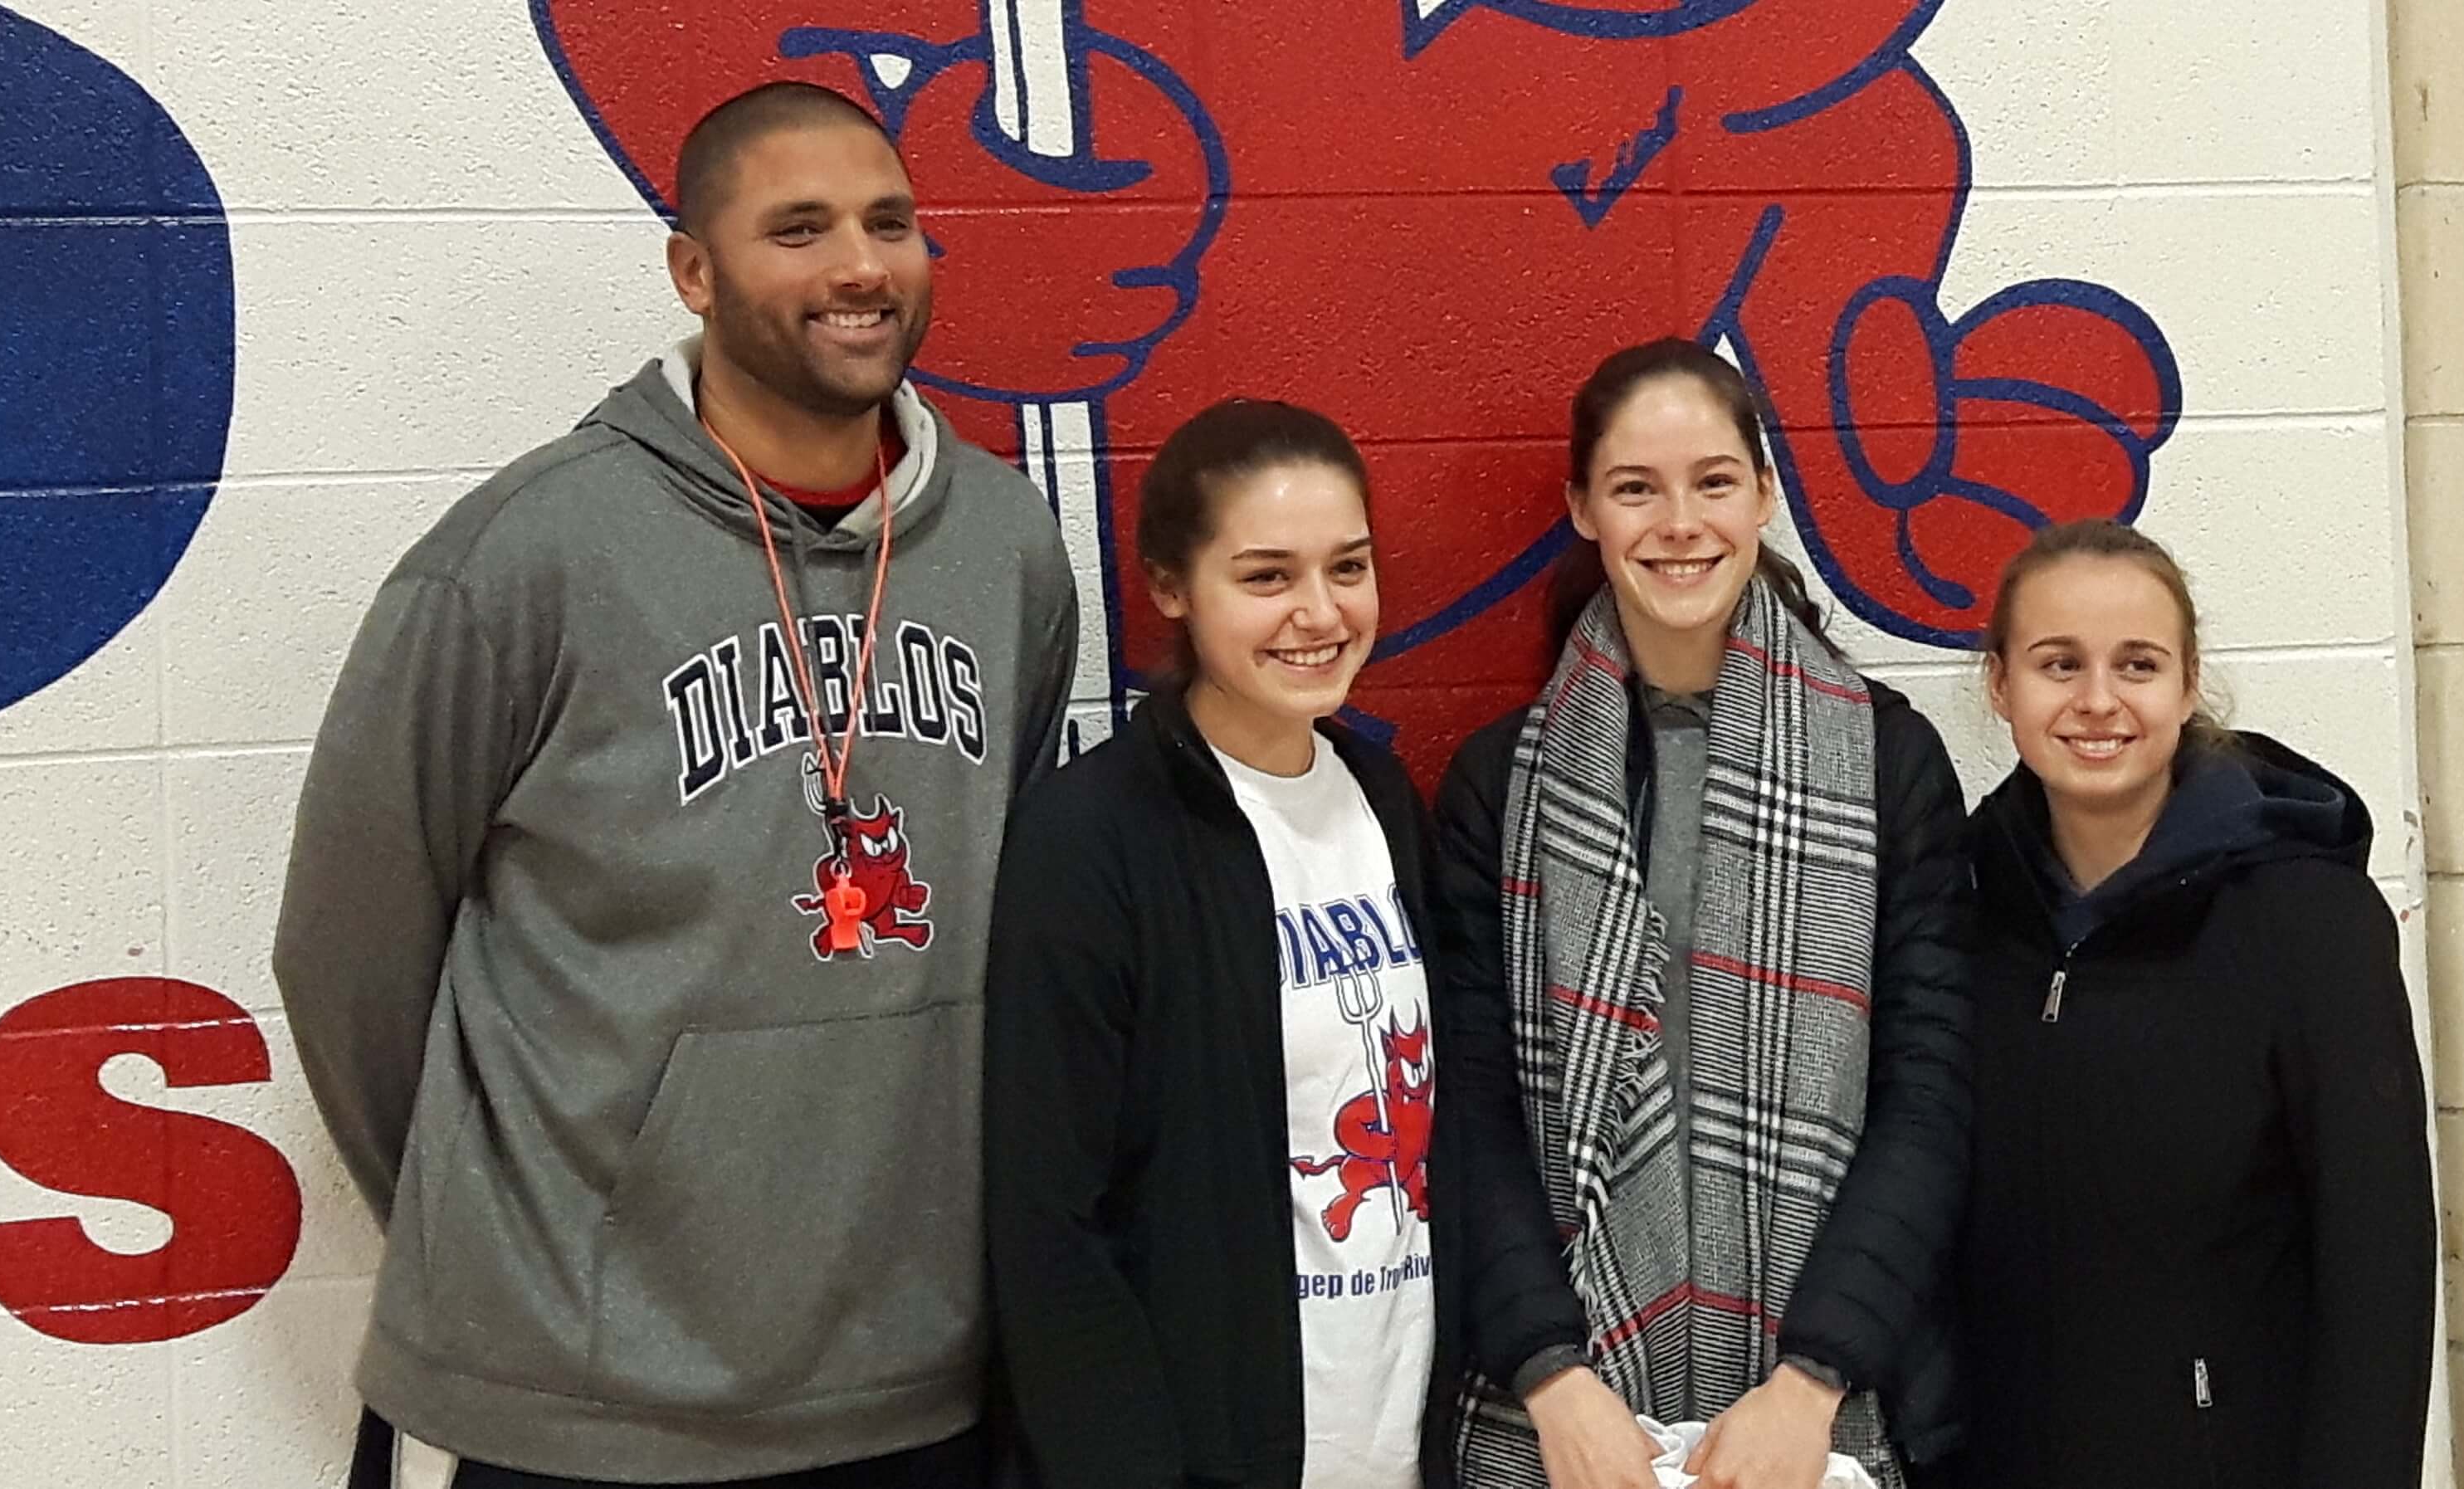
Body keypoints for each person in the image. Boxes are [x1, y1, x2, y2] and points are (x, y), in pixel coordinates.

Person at [274, 81, 1077, 1489]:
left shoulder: (1007, 549)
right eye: (800, 228)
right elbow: (350, 951)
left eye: (889, 222)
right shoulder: (530, 555)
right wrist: (512, 1235)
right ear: (694, 271)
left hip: (918, 1378)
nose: (858, 266)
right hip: (588, 1396)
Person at [1434, 337, 1975, 1489]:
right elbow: (1468, 1106)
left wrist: (1812, 1379)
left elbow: (1927, 1094)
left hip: (1816, 1405)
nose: (1678, 522)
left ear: (1765, 495)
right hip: (1574, 1421)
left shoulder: (1883, 758)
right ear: (1582, 506)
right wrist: (1549, 1375)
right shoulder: (1501, 781)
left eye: (1713, 482)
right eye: (1635, 487)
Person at [983, 400, 1456, 1489]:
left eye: (1347, 567)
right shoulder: (1089, 838)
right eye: (1265, 576)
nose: (1318, 611)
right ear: (1167, 587)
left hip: (1392, 1428)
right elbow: (1049, 1227)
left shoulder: (1379, 798)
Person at [1954, 519, 2436, 1489]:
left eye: (2137, 664)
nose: (2098, 701)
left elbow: (2378, 1260)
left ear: (2186, 682)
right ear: (2000, 684)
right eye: (2059, 664)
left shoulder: (2308, 919)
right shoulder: (1960, 914)